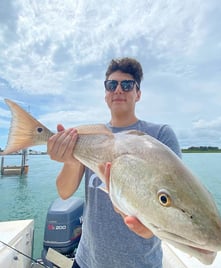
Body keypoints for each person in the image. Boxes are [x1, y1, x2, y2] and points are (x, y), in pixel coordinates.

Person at [47, 57, 181, 268]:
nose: (118, 89)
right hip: (86, 261)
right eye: (112, 85)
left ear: (138, 94)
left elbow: (176, 198)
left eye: (127, 85)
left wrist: (150, 230)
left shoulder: (160, 135)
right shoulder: (90, 137)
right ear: (106, 94)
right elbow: (64, 192)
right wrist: (71, 160)